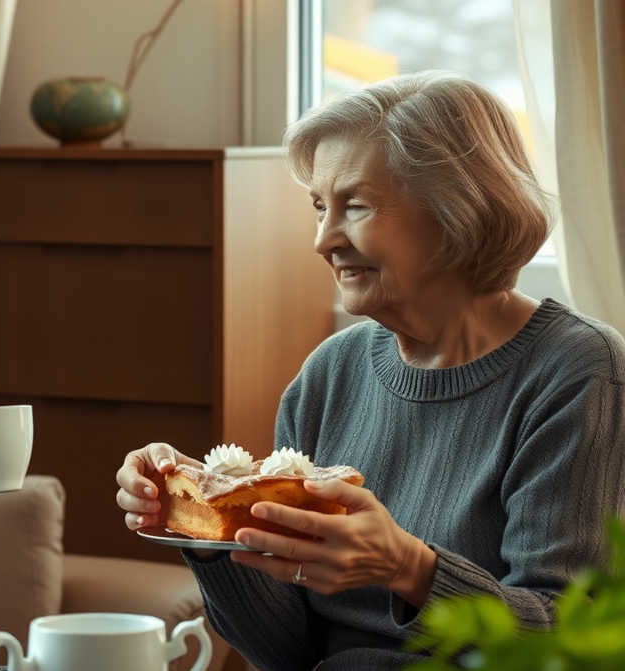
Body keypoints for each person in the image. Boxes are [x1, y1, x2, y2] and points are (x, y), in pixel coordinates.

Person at [115, 71, 625, 670]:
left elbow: (569, 646)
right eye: (318, 207)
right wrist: (207, 529)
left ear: (457, 211)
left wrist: (409, 568)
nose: (323, 239)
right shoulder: (332, 371)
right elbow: (284, 651)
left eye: (354, 205)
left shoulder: (578, 371)